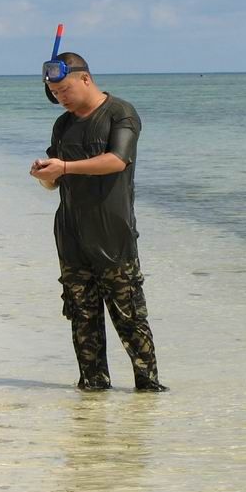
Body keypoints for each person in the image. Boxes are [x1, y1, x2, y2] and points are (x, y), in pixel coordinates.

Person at [30, 52, 167, 392]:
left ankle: (148, 393)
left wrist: (64, 166)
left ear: (85, 79)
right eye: (55, 92)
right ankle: (92, 397)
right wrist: (44, 174)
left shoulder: (120, 113)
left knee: (130, 317)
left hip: (113, 237)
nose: (60, 97)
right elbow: (54, 181)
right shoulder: (63, 124)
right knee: (82, 318)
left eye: (64, 89)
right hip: (71, 237)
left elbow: (117, 160)